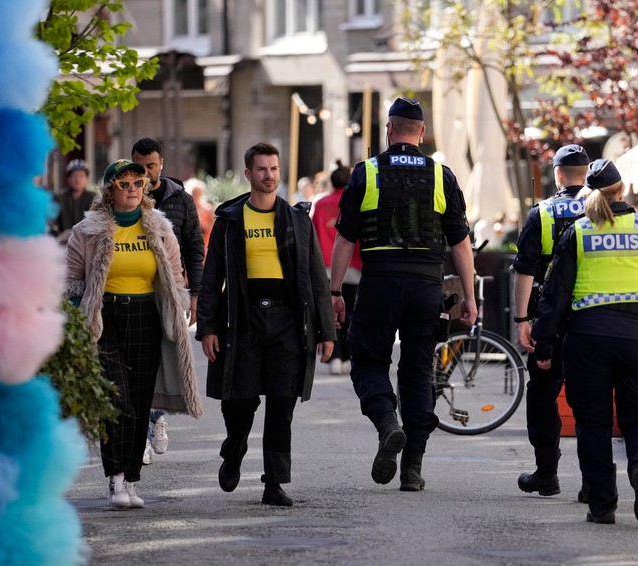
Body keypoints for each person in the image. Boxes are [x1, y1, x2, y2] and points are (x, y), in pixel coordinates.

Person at [329, 97, 477, 492]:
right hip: (427, 286)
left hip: (379, 281)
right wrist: (470, 297)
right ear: (422, 133)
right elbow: (461, 244)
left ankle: (386, 423)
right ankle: (412, 467)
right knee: (417, 372)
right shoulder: (442, 175)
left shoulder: (367, 172)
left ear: (389, 130)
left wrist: (334, 291)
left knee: (367, 358)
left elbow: (345, 239)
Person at [531, 159, 638, 524]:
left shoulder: (577, 233)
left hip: (588, 340)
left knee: (593, 423)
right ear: (622, 190)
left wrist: (544, 343)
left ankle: (602, 505)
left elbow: (554, 295)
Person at [196, 142, 336, 507]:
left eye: (274, 169)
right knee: (238, 401)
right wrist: (208, 327)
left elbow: (316, 278)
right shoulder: (231, 220)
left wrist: (326, 332)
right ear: (248, 174)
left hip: (287, 320)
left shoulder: (296, 220)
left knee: (281, 404)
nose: (269, 175)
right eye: (261, 169)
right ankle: (234, 447)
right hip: (242, 318)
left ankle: (274, 482)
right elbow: (212, 279)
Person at [65, 159, 201, 509]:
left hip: (146, 317)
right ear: (109, 190)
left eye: (137, 183)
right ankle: (115, 479)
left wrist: (180, 306)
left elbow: (173, 274)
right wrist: (80, 312)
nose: (131, 190)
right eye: (123, 184)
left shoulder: (159, 228)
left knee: (140, 402)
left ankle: (132, 479)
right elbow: (72, 281)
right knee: (117, 401)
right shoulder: (88, 230)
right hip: (104, 317)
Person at [513, 144, 589, 500]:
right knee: (592, 398)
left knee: (543, 396)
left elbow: (525, 272)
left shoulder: (542, 213)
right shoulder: (603, 210)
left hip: (549, 319)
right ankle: (594, 480)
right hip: (593, 316)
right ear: (586, 172)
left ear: (557, 174)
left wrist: (522, 318)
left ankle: (547, 473)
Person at [131, 138, 206, 464]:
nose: (145, 173)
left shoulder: (181, 200)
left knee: (162, 358)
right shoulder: (126, 196)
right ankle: (140, 432)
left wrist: (196, 294)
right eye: (139, 166)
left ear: (161, 164)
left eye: (151, 166)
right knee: (135, 362)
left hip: (169, 292)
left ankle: (155, 416)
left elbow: (194, 248)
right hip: (133, 290)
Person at [312, 160, 359, 375]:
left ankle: (335, 356)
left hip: (327, 266)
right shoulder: (355, 200)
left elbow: (312, 234)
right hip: (353, 264)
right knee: (350, 312)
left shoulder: (321, 204)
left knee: (330, 313)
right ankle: (349, 355)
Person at [51, 159, 95, 244]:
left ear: (87, 179)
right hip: (63, 243)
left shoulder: (94, 198)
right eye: (74, 175)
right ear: (68, 178)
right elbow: (51, 222)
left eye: (81, 176)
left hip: (87, 243)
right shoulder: (58, 198)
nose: (77, 179)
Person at [186, 177, 214, 247]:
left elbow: (214, 228)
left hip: (206, 245)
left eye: (198, 193)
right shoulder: (186, 209)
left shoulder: (208, 209)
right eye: (194, 193)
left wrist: (203, 225)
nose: (196, 195)